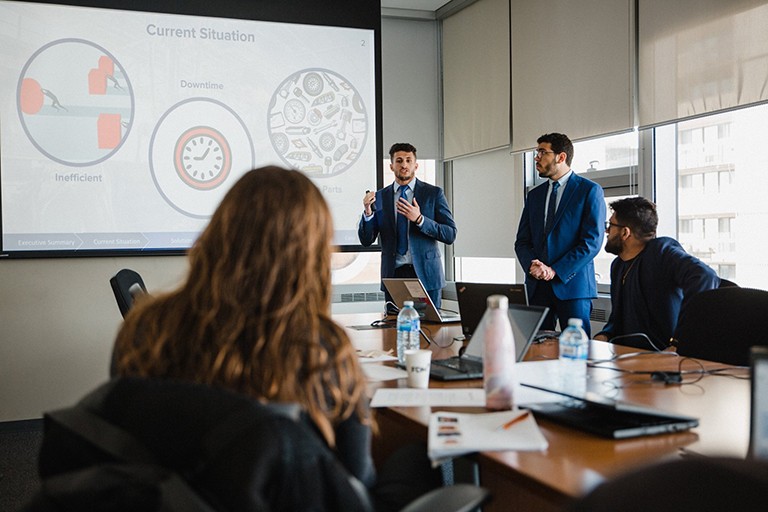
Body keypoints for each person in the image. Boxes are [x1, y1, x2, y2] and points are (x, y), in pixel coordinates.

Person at [111, 166, 441, 510]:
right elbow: (356, 474)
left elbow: (128, 436)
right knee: (416, 457)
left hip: (178, 497)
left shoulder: (145, 326)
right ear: (310, 254)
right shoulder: (321, 346)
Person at [594, 196, 720, 349]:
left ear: (625, 233)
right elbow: (618, 319)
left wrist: (680, 342)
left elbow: (704, 276)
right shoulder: (618, 265)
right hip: (626, 354)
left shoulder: (661, 252)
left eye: (611, 225)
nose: (606, 230)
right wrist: (604, 336)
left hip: (660, 356)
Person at [515, 133, 605, 337]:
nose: (536, 158)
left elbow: (591, 242)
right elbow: (522, 242)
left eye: (542, 152)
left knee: (577, 352)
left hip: (573, 287)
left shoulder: (589, 191)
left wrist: (554, 270)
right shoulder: (534, 196)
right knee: (535, 349)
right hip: (537, 287)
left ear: (561, 157)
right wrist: (533, 266)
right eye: (536, 152)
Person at [358, 142, 457, 310]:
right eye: (399, 160)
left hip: (426, 275)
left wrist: (419, 219)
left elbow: (450, 234)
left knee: (431, 330)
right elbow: (367, 240)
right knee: (392, 331)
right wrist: (368, 212)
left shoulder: (433, 194)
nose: (404, 165)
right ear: (391, 166)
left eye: (408, 160)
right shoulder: (381, 197)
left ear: (416, 165)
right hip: (394, 276)